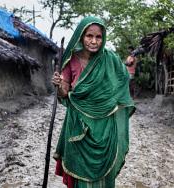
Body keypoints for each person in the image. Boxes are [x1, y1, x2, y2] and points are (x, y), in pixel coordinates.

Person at [51, 16, 135, 188]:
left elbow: (123, 80)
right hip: (77, 124)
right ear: (81, 35)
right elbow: (65, 92)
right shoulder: (71, 59)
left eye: (98, 37)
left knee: (104, 170)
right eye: (90, 36)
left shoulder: (110, 59)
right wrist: (59, 84)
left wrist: (129, 66)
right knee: (79, 171)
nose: (94, 41)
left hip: (105, 127)